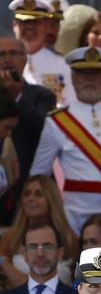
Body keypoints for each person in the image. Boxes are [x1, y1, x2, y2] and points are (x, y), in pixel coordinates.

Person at [30, 46, 101, 233]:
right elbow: (39, 175)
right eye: (83, 73)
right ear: (73, 77)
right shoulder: (56, 121)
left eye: (95, 73)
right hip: (75, 219)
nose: (90, 79)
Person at [0, 33, 55, 208]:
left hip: (29, 188)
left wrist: (18, 97)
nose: (7, 59)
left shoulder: (43, 96)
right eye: (1, 54)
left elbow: (45, 130)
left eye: (13, 53)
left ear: (25, 60)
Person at [0, 174, 78, 288]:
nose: (31, 198)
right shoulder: (12, 236)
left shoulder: (68, 237)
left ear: (51, 199)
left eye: (38, 194)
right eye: (27, 194)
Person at [9, 0, 75, 106]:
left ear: (46, 27)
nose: (30, 27)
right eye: (24, 21)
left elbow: (71, 104)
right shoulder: (4, 61)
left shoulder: (63, 65)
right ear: (14, 25)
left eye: (36, 22)